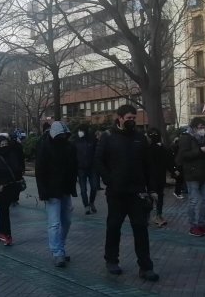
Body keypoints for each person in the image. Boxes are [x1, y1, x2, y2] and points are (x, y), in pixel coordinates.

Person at [95, 105, 159, 281]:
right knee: (114, 226)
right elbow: (98, 161)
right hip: (116, 192)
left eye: (134, 118)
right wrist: (109, 180)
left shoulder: (140, 138)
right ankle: (111, 260)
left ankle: (146, 267)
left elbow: (149, 165)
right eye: (129, 118)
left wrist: (151, 188)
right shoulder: (108, 137)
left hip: (137, 192)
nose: (131, 121)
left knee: (141, 229)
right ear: (120, 118)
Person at [35, 121, 77, 268]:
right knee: (54, 223)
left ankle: (60, 247)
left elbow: (73, 168)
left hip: (64, 189)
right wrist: (43, 191)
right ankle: (57, 252)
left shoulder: (69, 147)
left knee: (66, 221)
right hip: (52, 190)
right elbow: (40, 171)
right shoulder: (44, 147)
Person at [178, 117, 205, 237]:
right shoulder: (186, 137)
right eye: (200, 127)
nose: (202, 130)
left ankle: (202, 224)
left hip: (204, 172)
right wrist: (200, 150)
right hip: (192, 173)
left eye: (204, 127)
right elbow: (183, 155)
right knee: (193, 201)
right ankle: (193, 226)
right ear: (194, 128)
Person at [146, 128, 175, 227]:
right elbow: (169, 162)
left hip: (150, 176)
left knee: (151, 196)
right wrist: (174, 172)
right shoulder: (163, 148)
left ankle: (149, 216)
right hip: (159, 176)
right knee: (159, 196)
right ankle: (158, 215)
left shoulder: (148, 149)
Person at [75, 125, 98, 215]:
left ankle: (91, 202)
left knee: (94, 187)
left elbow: (97, 153)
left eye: (81, 130)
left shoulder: (92, 140)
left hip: (92, 168)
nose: (79, 132)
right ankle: (86, 206)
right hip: (81, 169)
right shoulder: (76, 141)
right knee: (83, 190)